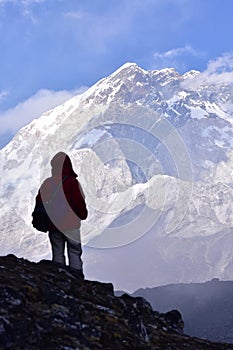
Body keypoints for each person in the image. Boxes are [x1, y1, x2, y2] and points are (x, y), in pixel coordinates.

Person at [35, 152, 88, 276]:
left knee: (57, 251)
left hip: (53, 224)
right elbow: (78, 203)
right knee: (74, 251)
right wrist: (82, 215)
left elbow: (40, 202)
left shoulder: (47, 183)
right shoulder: (73, 183)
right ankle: (76, 279)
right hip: (71, 224)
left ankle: (59, 277)